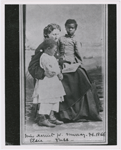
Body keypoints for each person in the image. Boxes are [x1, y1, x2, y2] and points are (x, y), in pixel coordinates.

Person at [57, 19, 103, 122]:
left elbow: (78, 53)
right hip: (61, 63)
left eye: (72, 28)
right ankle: (64, 113)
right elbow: (58, 51)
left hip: (72, 63)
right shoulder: (60, 39)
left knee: (82, 78)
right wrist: (60, 60)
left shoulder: (76, 40)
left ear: (75, 29)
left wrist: (79, 64)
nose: (70, 30)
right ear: (65, 27)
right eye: (68, 28)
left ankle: (86, 110)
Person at [32, 38, 65, 127]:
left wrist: (59, 73)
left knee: (55, 99)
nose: (55, 50)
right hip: (47, 81)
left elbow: (57, 67)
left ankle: (52, 117)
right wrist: (57, 73)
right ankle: (42, 118)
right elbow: (50, 71)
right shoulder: (44, 57)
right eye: (54, 49)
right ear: (47, 49)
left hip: (54, 82)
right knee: (45, 100)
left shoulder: (52, 56)